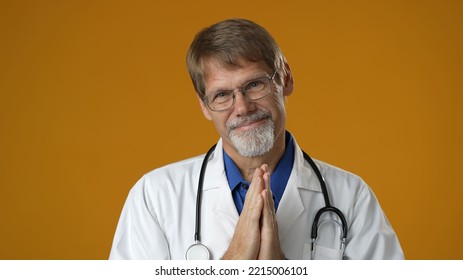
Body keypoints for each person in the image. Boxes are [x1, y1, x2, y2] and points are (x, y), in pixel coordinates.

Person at [109, 18, 404, 260]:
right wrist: (234, 261)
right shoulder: (155, 196)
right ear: (204, 106)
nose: (243, 108)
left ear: (285, 79)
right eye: (222, 95)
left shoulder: (351, 197)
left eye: (254, 85)